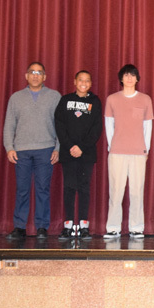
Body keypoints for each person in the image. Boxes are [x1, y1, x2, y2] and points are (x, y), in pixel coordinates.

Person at [4, 62, 61, 240]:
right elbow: (9, 125)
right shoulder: (16, 97)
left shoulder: (54, 96)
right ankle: (19, 226)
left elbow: (61, 125)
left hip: (46, 149)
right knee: (22, 189)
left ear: (44, 77)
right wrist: (9, 147)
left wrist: (58, 148)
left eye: (39, 73)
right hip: (22, 150)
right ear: (26, 76)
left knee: (43, 189)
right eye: (32, 72)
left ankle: (42, 227)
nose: (35, 75)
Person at [103, 64, 154, 239]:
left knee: (136, 190)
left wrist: (145, 148)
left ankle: (137, 227)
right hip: (117, 151)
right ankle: (113, 227)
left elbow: (148, 126)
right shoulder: (112, 99)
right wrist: (112, 146)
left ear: (137, 79)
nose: (129, 78)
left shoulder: (145, 99)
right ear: (121, 79)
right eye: (126, 75)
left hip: (138, 152)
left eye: (133, 75)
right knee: (116, 190)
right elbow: (109, 125)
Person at [54, 70, 103, 240]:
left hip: (86, 152)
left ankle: (83, 225)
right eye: (80, 80)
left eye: (87, 80)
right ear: (75, 81)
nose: (83, 83)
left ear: (91, 83)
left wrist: (81, 147)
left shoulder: (95, 102)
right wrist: (70, 146)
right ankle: (68, 225)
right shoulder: (65, 100)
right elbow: (59, 124)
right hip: (68, 152)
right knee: (68, 187)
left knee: (84, 188)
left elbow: (97, 128)